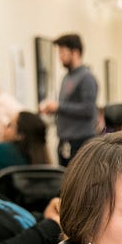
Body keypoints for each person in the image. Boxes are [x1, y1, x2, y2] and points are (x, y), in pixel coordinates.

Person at [39, 33, 98, 166]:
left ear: (75, 52)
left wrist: (58, 107)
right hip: (65, 140)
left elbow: (88, 109)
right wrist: (53, 109)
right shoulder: (67, 77)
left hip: (80, 141)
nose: (60, 57)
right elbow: (67, 106)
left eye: (62, 52)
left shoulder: (86, 77)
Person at [0, 110, 51, 184]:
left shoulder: (0, 150)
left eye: (9, 125)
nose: (4, 127)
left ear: (20, 135)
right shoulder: (45, 162)